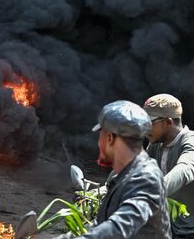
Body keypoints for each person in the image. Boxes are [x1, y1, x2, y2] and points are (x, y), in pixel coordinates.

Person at [64, 100, 171, 239]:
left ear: (109, 138)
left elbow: (120, 227)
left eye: (100, 135)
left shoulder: (145, 178)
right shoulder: (123, 176)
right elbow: (102, 225)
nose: (98, 143)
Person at [144, 94, 194, 239]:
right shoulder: (155, 145)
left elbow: (184, 170)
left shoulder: (192, 142)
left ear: (168, 122)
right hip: (174, 230)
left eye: (149, 123)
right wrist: (104, 189)